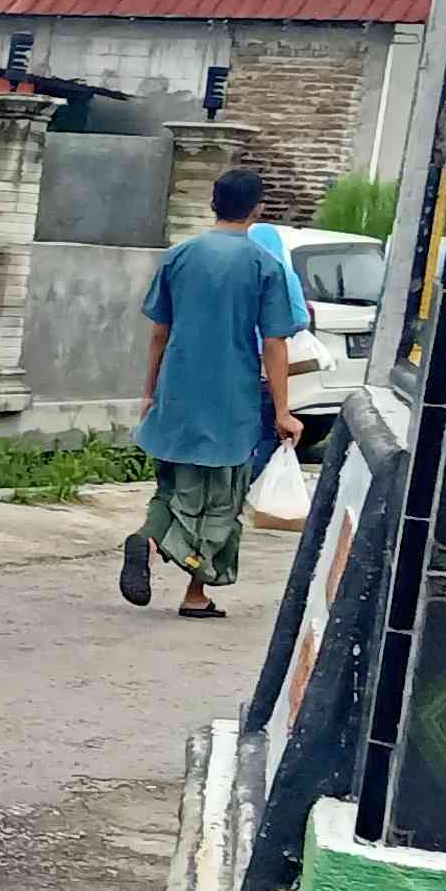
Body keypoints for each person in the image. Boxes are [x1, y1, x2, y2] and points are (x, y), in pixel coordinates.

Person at [123, 165, 307, 622]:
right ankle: (195, 593)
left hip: (178, 391)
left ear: (212, 204)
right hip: (232, 399)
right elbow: (274, 342)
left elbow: (159, 333)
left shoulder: (179, 257)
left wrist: (150, 393)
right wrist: (283, 410)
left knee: (173, 484)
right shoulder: (265, 265)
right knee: (221, 499)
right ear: (258, 209)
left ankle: (147, 538)